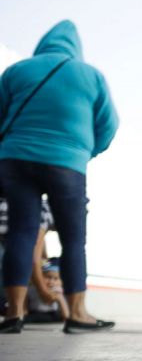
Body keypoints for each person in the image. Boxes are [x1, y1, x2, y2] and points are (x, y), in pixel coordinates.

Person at [0, 20, 119, 334]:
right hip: (67, 162)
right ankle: (77, 314)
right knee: (72, 239)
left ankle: (14, 313)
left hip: (16, 158)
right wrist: (84, 151)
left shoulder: (18, 70)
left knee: (21, 234)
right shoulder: (91, 75)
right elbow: (109, 125)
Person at [25, 258, 68, 324]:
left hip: (52, 315)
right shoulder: (32, 288)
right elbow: (25, 304)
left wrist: (60, 298)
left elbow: (66, 316)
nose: (51, 282)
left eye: (56, 279)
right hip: (34, 314)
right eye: (48, 277)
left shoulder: (60, 291)